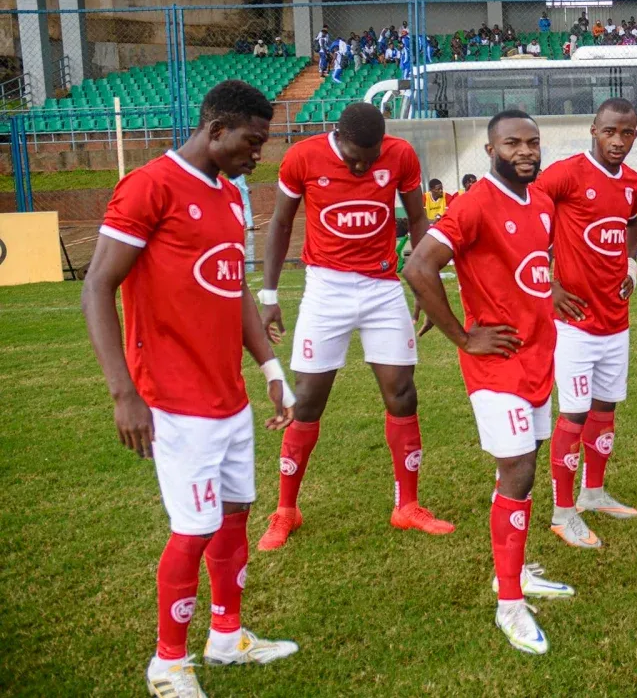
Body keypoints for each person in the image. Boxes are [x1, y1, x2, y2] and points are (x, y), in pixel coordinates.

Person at [81, 81, 299, 697]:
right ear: (215, 130)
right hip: (174, 400)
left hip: (227, 396)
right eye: (251, 141)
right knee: (194, 528)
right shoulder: (149, 185)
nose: (258, 153)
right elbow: (96, 286)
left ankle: (227, 637)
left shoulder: (230, 196)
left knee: (234, 515)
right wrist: (123, 393)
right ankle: (168, 664)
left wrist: (271, 370)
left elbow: (231, 290)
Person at [403, 110, 575, 656]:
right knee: (518, 468)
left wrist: (551, 294)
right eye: (512, 143)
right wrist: (462, 336)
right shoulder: (474, 204)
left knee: (524, 468)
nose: (525, 151)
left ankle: (516, 570)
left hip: (538, 357)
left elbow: (532, 269)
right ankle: (509, 602)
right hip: (495, 362)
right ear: (490, 150)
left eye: (532, 143)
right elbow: (418, 267)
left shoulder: (541, 203)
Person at [255, 103, 454, 551]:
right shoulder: (302, 157)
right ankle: (286, 509)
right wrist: (268, 296)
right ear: (337, 137)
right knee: (307, 399)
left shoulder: (401, 155)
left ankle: (407, 505)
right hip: (326, 289)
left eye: (370, 158)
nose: (362, 167)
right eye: (353, 159)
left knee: (402, 392)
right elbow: (281, 223)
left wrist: (426, 286)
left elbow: (417, 218)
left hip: (382, 288)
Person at [536, 99, 637, 549]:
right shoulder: (565, 174)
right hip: (573, 321)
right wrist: (548, 284)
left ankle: (593, 493)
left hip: (615, 320)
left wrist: (632, 265)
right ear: (593, 130)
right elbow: (525, 215)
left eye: (627, 133)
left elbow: (633, 225)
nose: (618, 141)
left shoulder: (632, 182)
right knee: (575, 413)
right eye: (610, 132)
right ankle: (563, 513)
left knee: (605, 408)